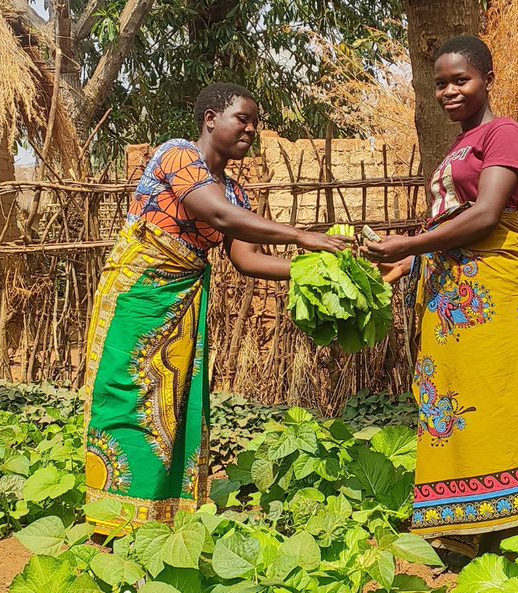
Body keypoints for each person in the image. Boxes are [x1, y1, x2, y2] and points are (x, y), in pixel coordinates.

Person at [83, 82, 347, 535]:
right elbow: (219, 216)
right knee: (127, 397)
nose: (251, 129)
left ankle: (162, 519)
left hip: (182, 302)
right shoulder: (177, 154)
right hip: (140, 294)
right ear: (210, 119)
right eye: (242, 118)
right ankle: (112, 522)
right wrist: (301, 235)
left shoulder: (238, 195)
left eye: (255, 123)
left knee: (174, 407)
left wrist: (314, 266)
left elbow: (246, 260)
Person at [364, 36, 518, 563]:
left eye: (461, 80)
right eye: (440, 83)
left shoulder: (504, 133)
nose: (449, 91)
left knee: (503, 396)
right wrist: (409, 262)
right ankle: (467, 522)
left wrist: (408, 243)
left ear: (487, 80)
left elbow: (485, 216)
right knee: (454, 402)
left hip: (494, 288)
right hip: (451, 296)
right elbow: (449, 220)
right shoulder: (458, 146)